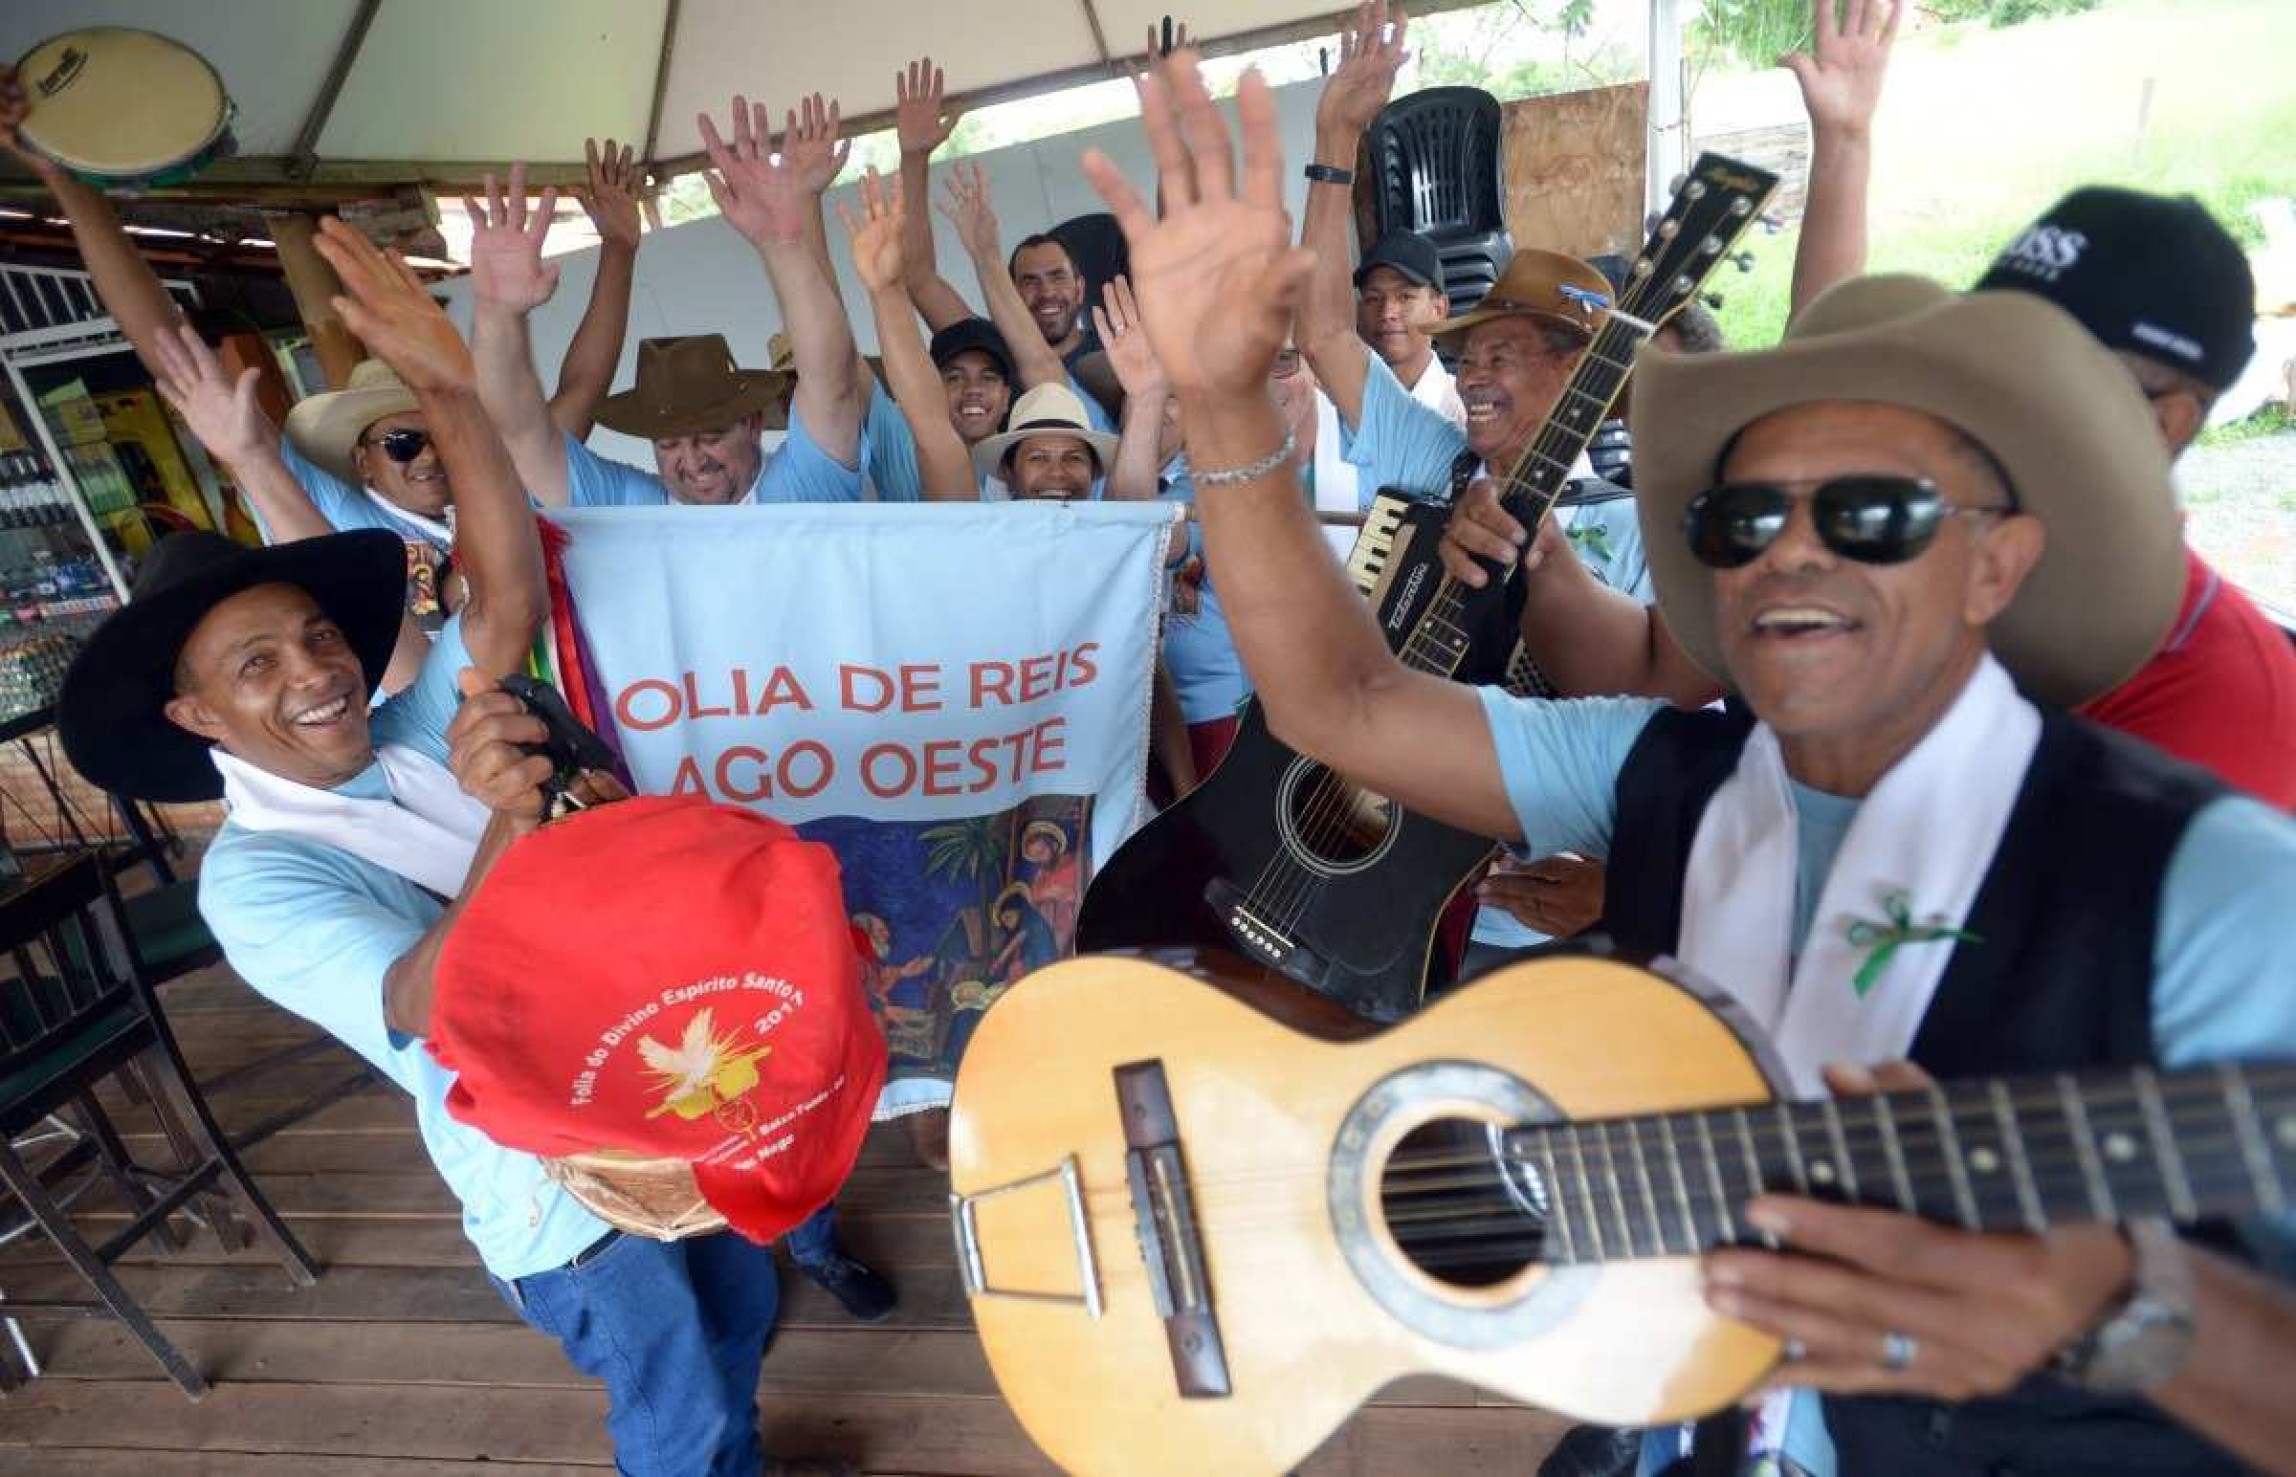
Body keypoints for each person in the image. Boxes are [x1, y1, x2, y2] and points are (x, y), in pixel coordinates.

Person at [1085, 46, 2296, 1477]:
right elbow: (1342, 706)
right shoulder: (1674, 773)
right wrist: (1225, 408)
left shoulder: (2206, 884)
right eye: (1742, 521)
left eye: (1873, 509)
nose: (1790, 550)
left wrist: (2129, 1315)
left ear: (1999, 562)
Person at [50, 218, 879, 1476]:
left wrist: (450, 384)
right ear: (195, 716)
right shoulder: (256, 880)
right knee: (676, 1406)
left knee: (743, 1313)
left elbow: (504, 596)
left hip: (659, 1091)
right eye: (257, 666)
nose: (317, 673)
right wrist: (512, 813)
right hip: (555, 1199)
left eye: (319, 638)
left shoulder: (402, 732)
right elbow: (427, 1002)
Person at [1444, 4, 2296, 812]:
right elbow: (1652, 669)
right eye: (1975, 352)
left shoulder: (2219, 705)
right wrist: (1541, 559)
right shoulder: (1900, 535)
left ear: (2164, 424)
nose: (1977, 396)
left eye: (2036, 372)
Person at [472, 99, 869, 510]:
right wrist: (498, 317)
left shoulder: (804, 486)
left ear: (752, 425)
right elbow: (522, 434)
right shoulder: (635, 505)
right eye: (670, 443)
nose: (693, 461)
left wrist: (783, 246)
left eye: (711, 437)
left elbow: (832, 381)